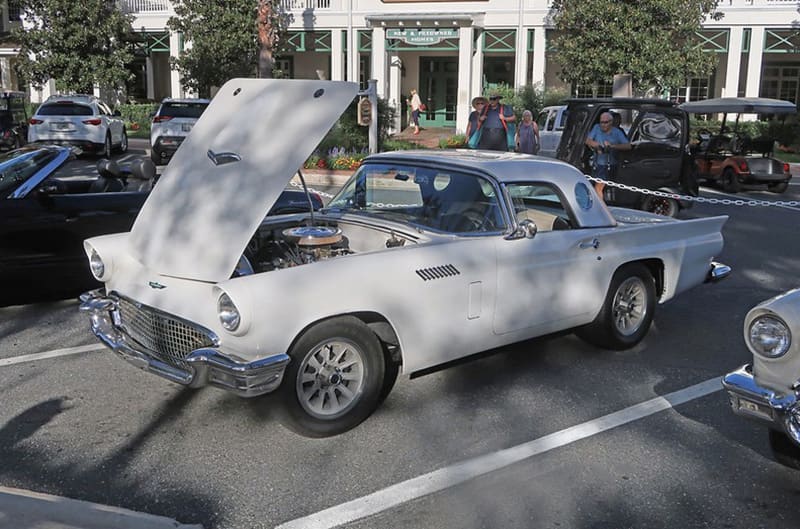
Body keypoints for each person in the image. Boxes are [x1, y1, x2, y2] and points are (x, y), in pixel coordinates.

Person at [585, 111, 631, 197]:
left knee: (599, 188)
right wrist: (597, 145)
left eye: (605, 122)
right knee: (597, 188)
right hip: (598, 164)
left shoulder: (617, 132)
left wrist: (612, 146)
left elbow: (628, 146)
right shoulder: (596, 128)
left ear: (611, 122)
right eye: (601, 122)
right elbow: (588, 140)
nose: (602, 125)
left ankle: (601, 207)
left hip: (612, 164)